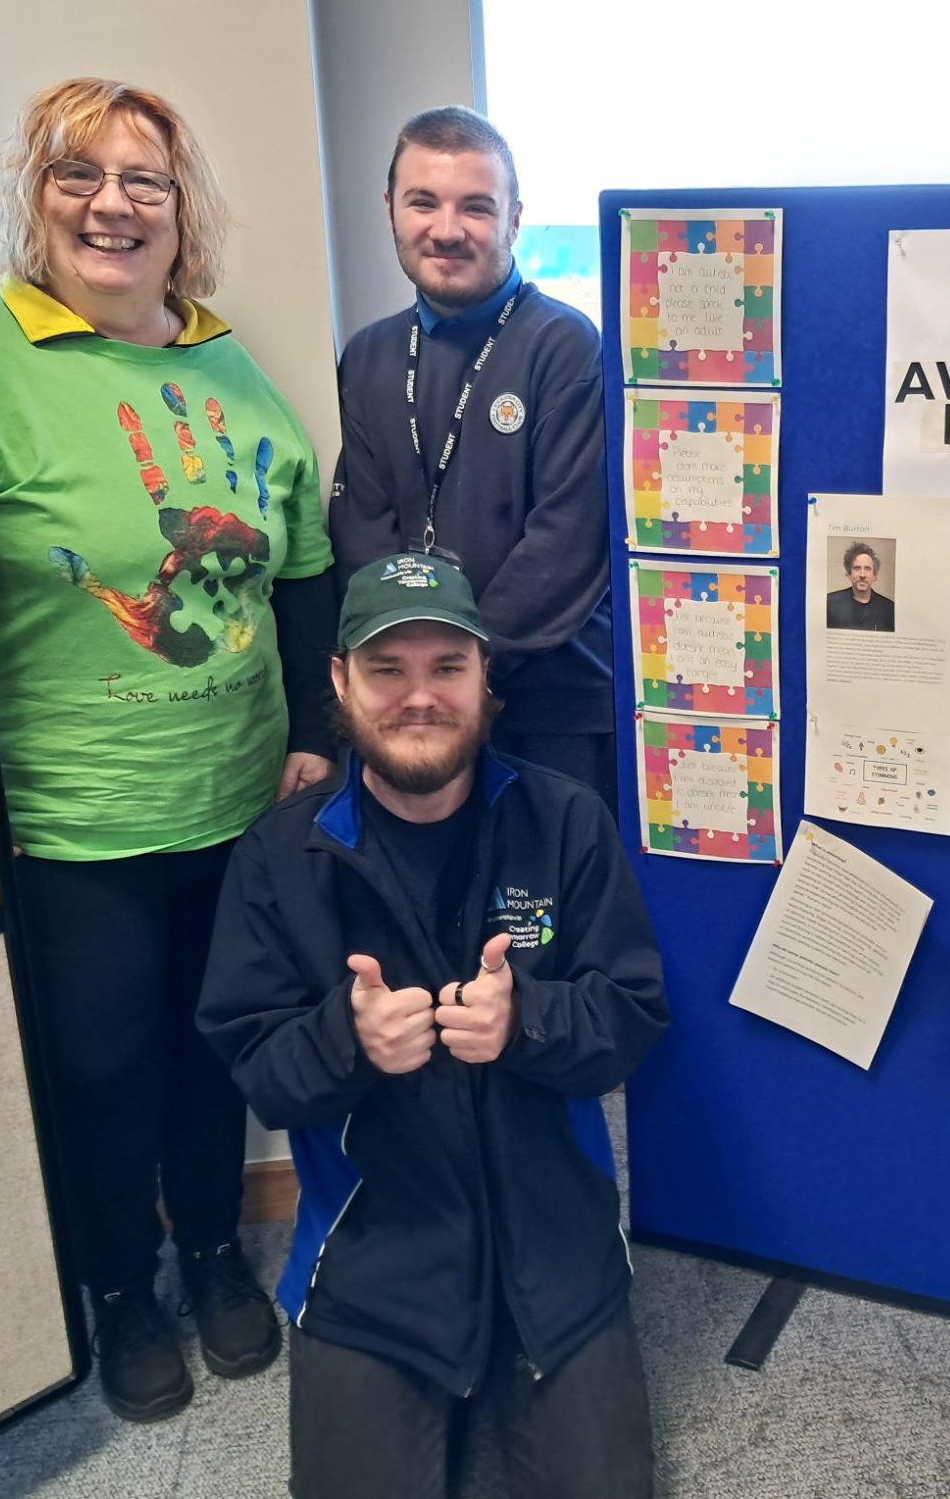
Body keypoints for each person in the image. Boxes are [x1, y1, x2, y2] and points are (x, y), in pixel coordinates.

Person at [0, 78, 337, 1422]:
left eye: (144, 181)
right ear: (34, 197)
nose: (112, 203)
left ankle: (217, 1253)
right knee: (103, 1058)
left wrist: (312, 743)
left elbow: (303, 575)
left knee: (213, 1043)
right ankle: (120, 1281)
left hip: (233, 801)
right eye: (78, 174)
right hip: (70, 817)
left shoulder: (228, 364)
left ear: (181, 216)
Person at [199, 552, 669, 1499]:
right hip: (378, 1260)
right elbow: (256, 1066)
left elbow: (633, 1017)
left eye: (446, 667)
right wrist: (350, 1039)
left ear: (485, 676)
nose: (420, 697)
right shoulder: (281, 859)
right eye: (388, 669)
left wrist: (528, 1019)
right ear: (340, 680)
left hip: (556, 1249)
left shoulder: (565, 820)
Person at [331, 106, 617, 810]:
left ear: (514, 219)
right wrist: (414, 678)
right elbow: (362, 530)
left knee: (543, 914)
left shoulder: (567, 346)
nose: (448, 229)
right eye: (423, 202)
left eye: (477, 207)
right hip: (413, 708)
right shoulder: (369, 354)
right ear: (390, 208)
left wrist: (460, 668)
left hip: (551, 708)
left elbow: (566, 545)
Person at [825, 540, 896, 631]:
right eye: (857, 568)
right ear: (848, 575)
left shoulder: (889, 609)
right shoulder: (830, 603)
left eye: (867, 569)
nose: (862, 575)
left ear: (875, 576)